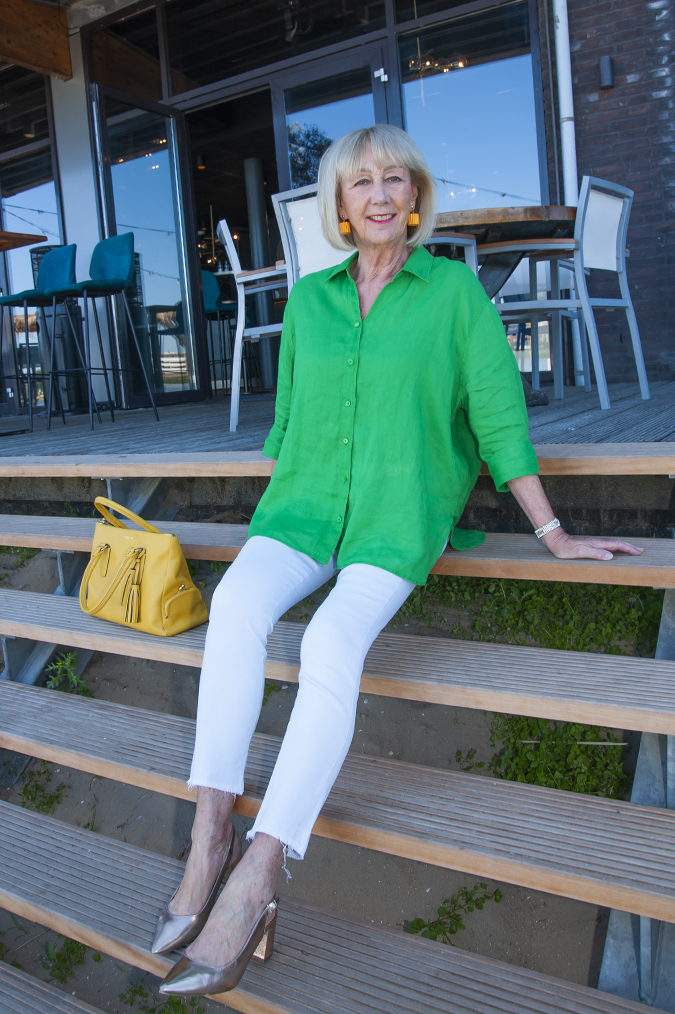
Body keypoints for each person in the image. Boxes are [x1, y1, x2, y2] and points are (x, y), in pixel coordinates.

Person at [157, 124, 642, 997]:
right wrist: (284, 522)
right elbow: (291, 424)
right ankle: (208, 834)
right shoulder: (308, 301)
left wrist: (552, 532)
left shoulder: (455, 293)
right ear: (339, 206)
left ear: (414, 196)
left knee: (328, 645)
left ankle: (260, 871)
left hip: (395, 514)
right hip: (304, 506)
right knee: (234, 605)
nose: (378, 195)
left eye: (394, 179)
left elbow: (498, 420)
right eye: (359, 183)